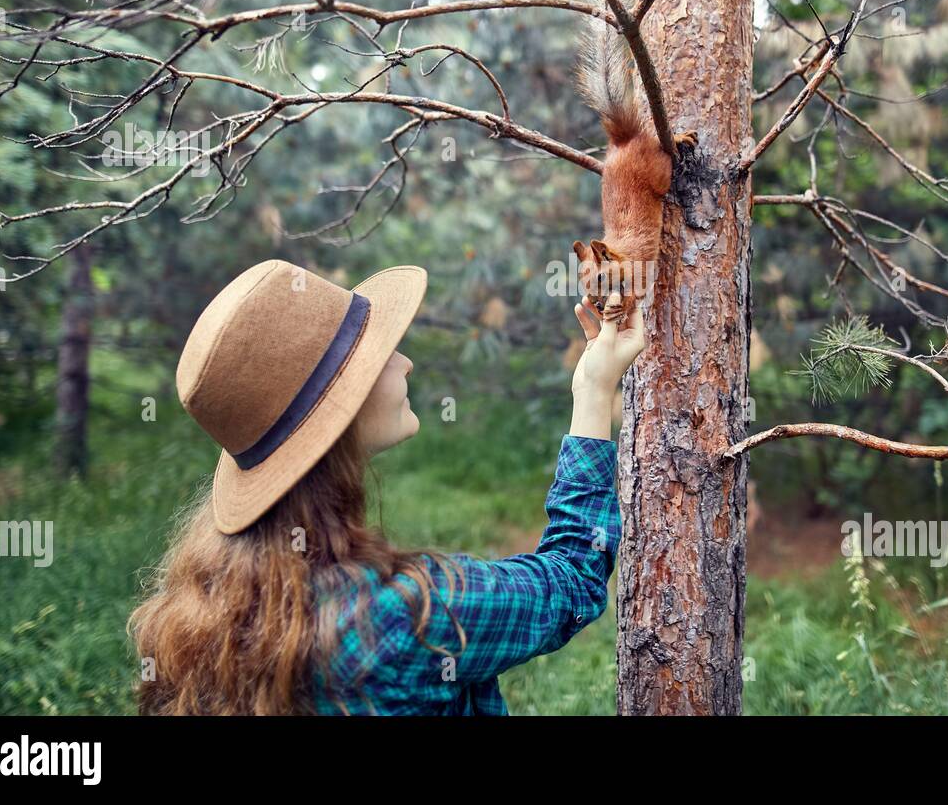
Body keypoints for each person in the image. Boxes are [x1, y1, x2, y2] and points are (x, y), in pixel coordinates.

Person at [129, 259, 645, 714]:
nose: (404, 361)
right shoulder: (403, 615)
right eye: (378, 355)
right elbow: (573, 578)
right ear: (338, 416)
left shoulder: (202, 610)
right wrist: (595, 390)